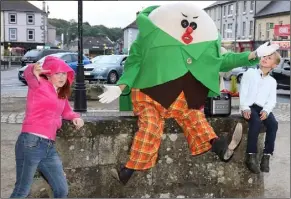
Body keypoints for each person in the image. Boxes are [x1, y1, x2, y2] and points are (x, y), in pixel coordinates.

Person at [98, 3, 277, 185]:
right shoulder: (149, 38)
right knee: (150, 125)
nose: (190, 28)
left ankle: (218, 146)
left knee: (195, 118)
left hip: (183, 100)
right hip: (150, 95)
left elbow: (224, 60)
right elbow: (134, 63)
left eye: (193, 25)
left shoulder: (203, 46)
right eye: (185, 24)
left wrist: (253, 54)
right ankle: (128, 170)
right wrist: (120, 87)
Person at [10, 56, 84, 198]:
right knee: (22, 191)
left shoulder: (61, 94)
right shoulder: (38, 84)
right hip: (31, 142)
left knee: (62, 190)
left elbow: (66, 111)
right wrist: (32, 69)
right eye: (57, 73)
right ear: (48, 74)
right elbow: (29, 75)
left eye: (64, 73)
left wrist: (76, 117)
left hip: (48, 146)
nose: (62, 77)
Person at [240, 44, 280, 174]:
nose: (265, 59)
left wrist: (267, 110)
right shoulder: (250, 73)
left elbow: (272, 100)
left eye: (269, 58)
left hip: (263, 108)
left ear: (274, 65)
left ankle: (266, 156)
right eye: (264, 56)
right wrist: (244, 107)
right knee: (256, 122)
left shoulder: (272, 81)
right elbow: (243, 91)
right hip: (250, 105)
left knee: (273, 124)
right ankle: (250, 155)